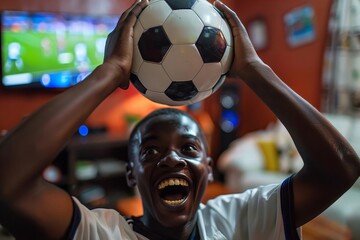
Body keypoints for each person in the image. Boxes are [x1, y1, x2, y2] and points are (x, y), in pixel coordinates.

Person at [0, 0, 359, 239]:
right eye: (150, 152)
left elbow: (340, 170)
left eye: (188, 148)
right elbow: (7, 184)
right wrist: (107, 73)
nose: (171, 159)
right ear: (131, 174)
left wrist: (254, 70)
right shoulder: (100, 232)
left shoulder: (240, 220)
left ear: (208, 165)